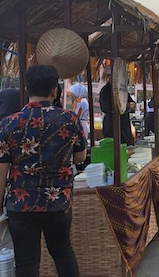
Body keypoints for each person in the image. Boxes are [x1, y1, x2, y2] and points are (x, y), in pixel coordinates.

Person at [0, 65, 87, 276]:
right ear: (55, 90)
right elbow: (80, 157)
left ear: (27, 89)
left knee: (26, 261)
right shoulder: (70, 119)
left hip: (21, 205)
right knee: (63, 253)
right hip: (58, 202)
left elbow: (1, 170)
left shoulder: (8, 124)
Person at [99, 70, 136, 146]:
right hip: (111, 124)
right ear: (109, 77)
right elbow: (106, 108)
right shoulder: (105, 90)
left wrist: (128, 105)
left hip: (124, 124)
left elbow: (132, 104)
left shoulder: (122, 90)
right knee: (113, 146)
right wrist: (121, 105)